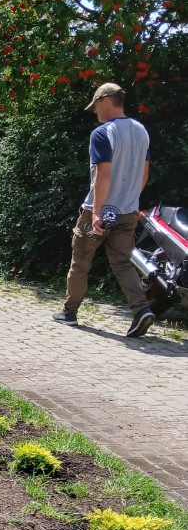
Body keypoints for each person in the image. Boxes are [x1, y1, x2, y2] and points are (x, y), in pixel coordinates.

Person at [52, 82, 154, 338]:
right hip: (128, 210)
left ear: (106, 100)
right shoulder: (141, 131)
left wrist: (97, 212)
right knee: (123, 262)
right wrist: (129, 200)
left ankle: (69, 312)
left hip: (97, 210)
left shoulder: (102, 132)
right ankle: (142, 310)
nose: (95, 111)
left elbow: (103, 175)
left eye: (96, 105)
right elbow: (144, 173)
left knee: (81, 260)